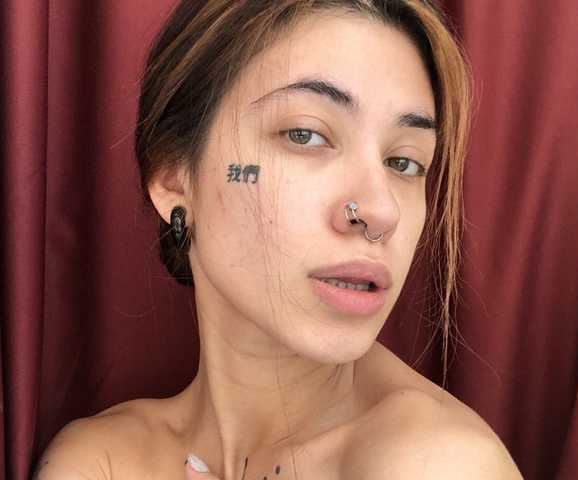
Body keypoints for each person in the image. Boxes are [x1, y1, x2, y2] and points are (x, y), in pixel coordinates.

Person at [35, 1, 523, 478]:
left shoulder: (439, 464)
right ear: (174, 178)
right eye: (305, 135)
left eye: (404, 162)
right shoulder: (101, 460)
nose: (381, 212)